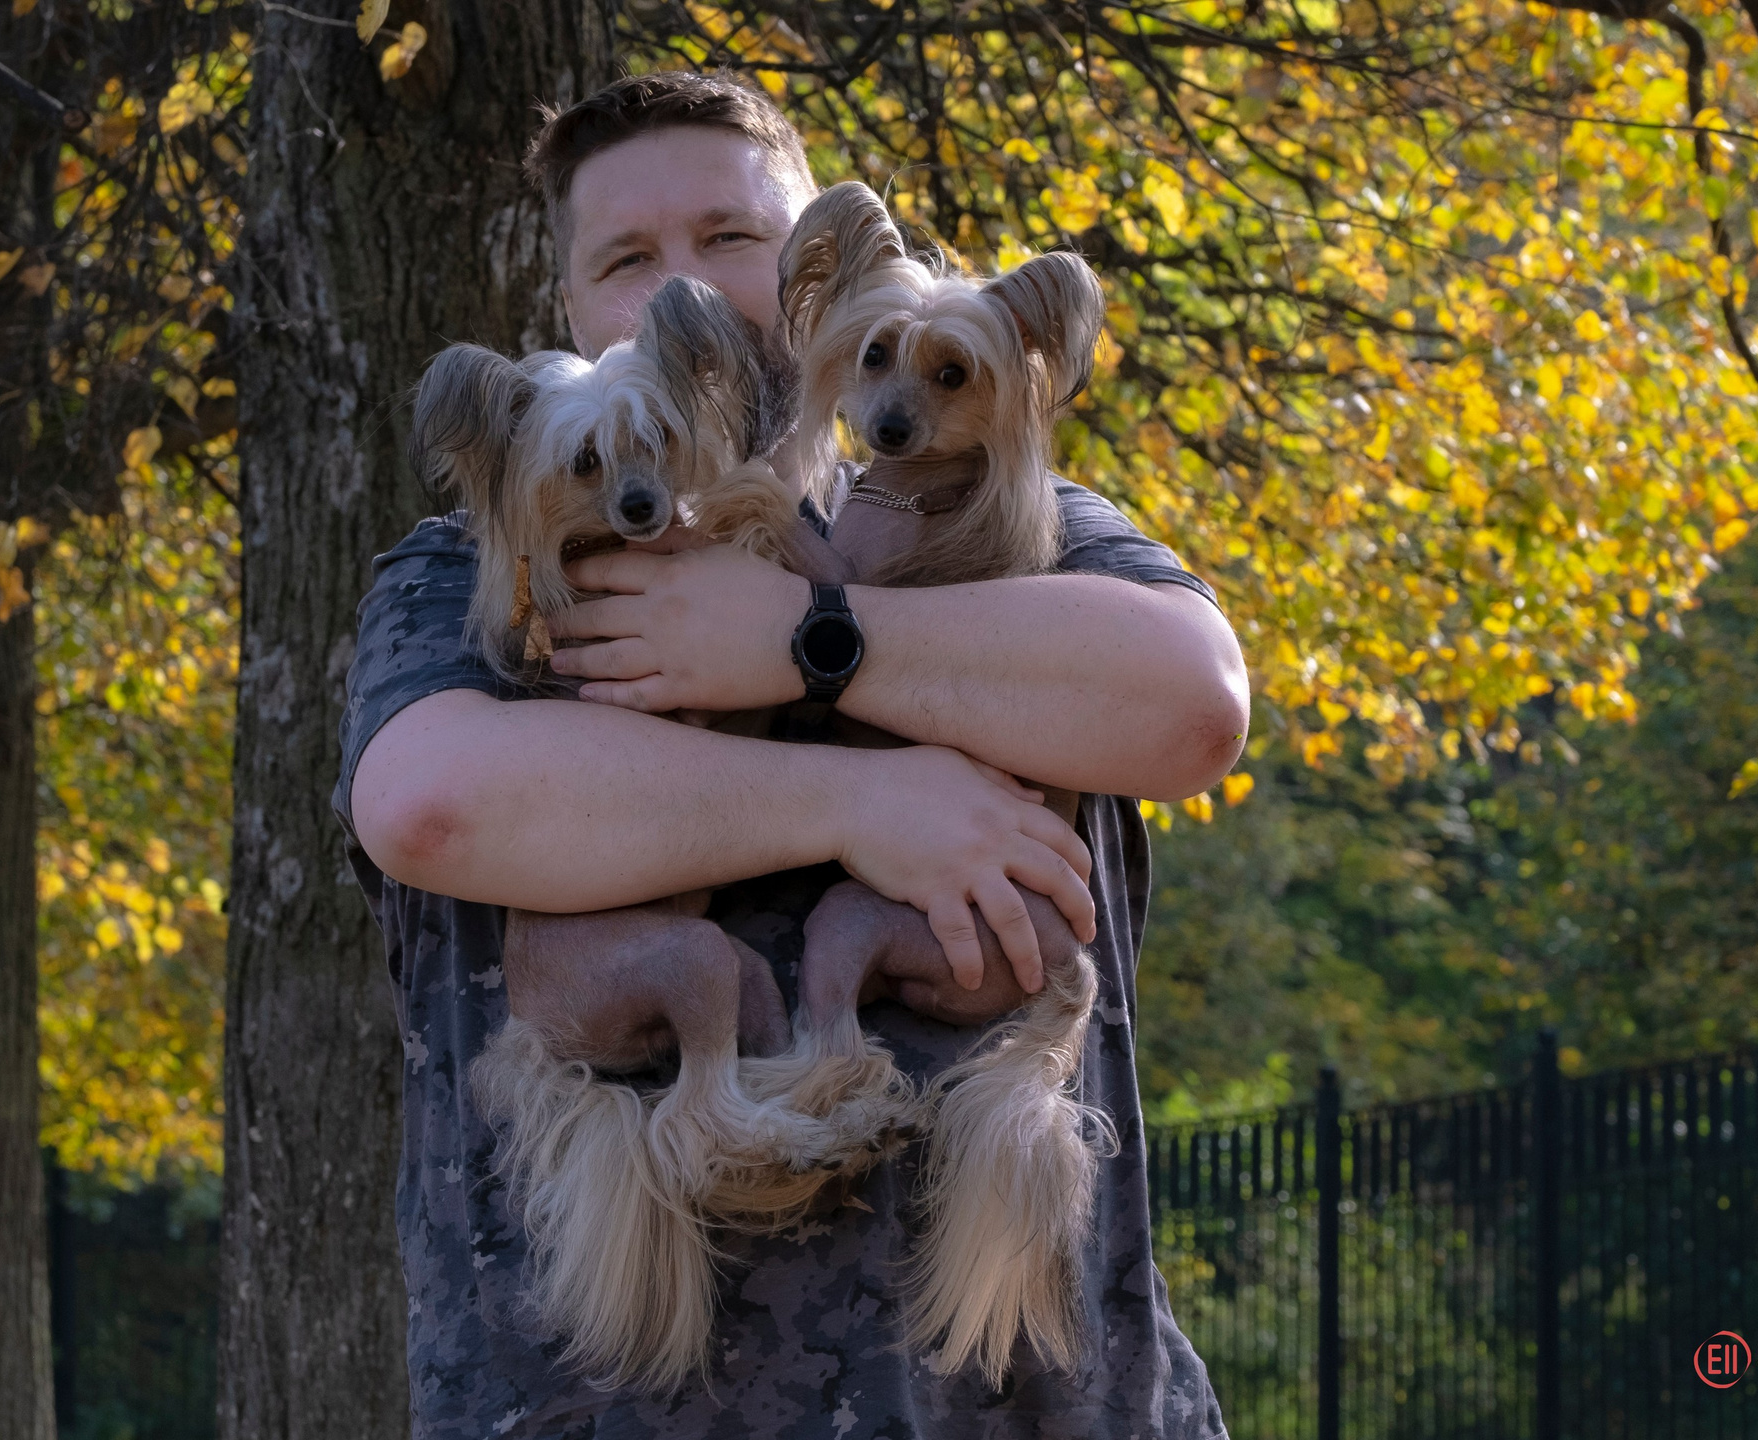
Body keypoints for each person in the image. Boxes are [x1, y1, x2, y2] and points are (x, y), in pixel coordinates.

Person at [337, 70, 1247, 1438]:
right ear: (572, 304)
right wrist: (864, 799)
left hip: (1023, 1404)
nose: (680, 290)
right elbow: (435, 806)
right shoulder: (482, 572)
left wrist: (811, 636)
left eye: (731, 238)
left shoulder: (1014, 523)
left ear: (816, 264)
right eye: (626, 259)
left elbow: (1190, 705)